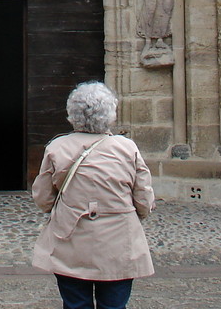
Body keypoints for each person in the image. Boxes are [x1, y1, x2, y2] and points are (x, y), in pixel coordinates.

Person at [32, 81, 154, 309]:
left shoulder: (58, 147)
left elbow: (43, 198)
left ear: (72, 114)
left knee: (76, 304)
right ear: (110, 115)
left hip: (71, 240)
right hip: (118, 242)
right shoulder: (127, 148)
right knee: (114, 305)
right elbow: (144, 199)